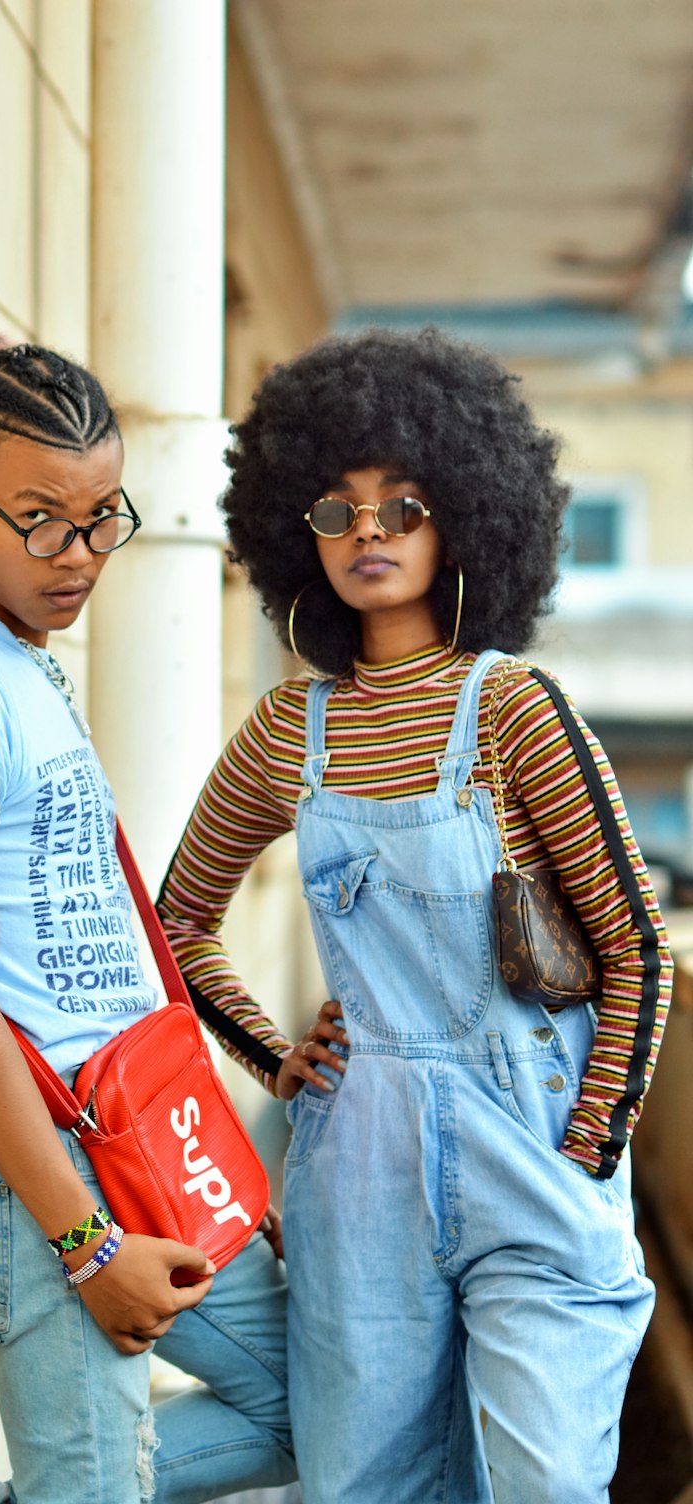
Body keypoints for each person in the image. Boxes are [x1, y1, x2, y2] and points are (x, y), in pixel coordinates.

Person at [156, 327, 673, 1503]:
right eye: (337, 513)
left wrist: (583, 1150)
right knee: (365, 1486)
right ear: (301, 536)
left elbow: (637, 948)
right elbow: (176, 918)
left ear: (463, 519)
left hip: (528, 1134)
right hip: (360, 1162)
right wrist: (278, 1058)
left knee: (542, 1480)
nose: (370, 534)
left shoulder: (514, 711)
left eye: (401, 504)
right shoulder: (291, 728)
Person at [0, 335, 295, 1504]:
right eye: (40, 520)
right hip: (38, 1164)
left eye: (104, 516)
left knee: (328, 1401)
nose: (81, 555)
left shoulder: (20, 659)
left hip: (134, 1133)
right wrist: (86, 1247)